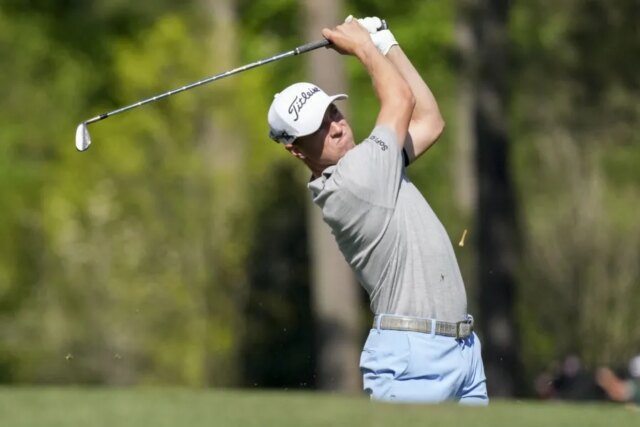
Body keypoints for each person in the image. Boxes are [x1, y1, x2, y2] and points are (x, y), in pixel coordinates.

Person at [266, 16, 488, 404]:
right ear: (296, 150)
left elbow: (430, 122)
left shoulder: (375, 166)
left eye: (333, 113)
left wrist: (386, 42)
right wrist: (364, 46)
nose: (336, 126)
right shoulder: (354, 178)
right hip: (413, 358)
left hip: (462, 349)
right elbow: (401, 101)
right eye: (318, 128)